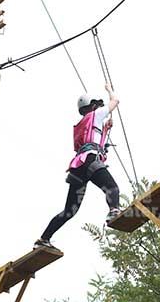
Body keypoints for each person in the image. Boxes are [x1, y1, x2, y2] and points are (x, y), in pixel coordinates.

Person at [35, 84, 121, 249]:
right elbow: (115, 101)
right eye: (99, 105)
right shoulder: (96, 114)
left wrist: (104, 130)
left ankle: (43, 239)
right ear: (94, 105)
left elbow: (92, 141)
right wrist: (109, 89)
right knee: (112, 189)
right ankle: (114, 211)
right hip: (90, 161)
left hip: (79, 168)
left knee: (70, 211)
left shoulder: (83, 123)